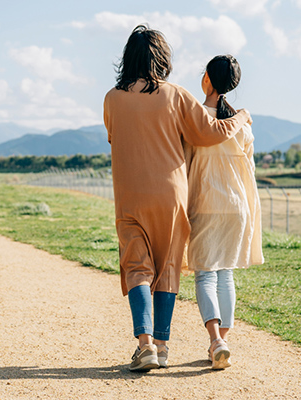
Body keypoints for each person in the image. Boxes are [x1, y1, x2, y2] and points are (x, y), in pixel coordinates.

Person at [103, 25, 253, 372]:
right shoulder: (176, 95)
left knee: (137, 268)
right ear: (163, 58)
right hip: (171, 194)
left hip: (128, 195)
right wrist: (242, 116)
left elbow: (114, 137)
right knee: (168, 268)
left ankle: (144, 347)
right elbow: (210, 132)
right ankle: (162, 345)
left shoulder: (111, 98)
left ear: (128, 58)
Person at [185, 54, 264, 370]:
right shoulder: (243, 125)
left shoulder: (195, 120)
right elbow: (250, 167)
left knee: (205, 273)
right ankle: (222, 342)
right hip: (237, 206)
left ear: (206, 78)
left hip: (206, 202)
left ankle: (216, 339)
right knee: (226, 273)